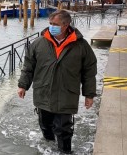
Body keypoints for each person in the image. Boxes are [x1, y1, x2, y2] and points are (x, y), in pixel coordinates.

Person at [17, 10, 97, 154]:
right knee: (45, 126)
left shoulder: (81, 46)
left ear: (66, 25)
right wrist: (23, 85)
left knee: (64, 129)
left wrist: (89, 94)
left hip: (66, 94)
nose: (51, 27)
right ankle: (47, 150)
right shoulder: (38, 43)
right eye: (50, 24)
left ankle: (65, 152)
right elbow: (28, 66)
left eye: (55, 24)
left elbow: (89, 71)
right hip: (43, 93)